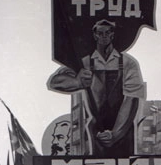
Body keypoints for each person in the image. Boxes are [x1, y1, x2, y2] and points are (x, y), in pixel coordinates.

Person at [47, 19, 146, 157]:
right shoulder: (85, 63)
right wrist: (77, 82)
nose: (104, 36)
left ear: (112, 35)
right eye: (100, 33)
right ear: (95, 35)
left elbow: (132, 99)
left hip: (123, 134)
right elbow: (54, 82)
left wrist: (115, 134)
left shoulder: (129, 63)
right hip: (95, 132)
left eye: (107, 32)